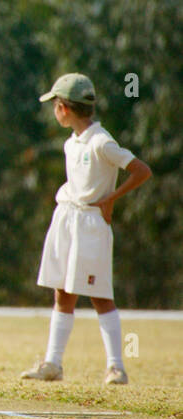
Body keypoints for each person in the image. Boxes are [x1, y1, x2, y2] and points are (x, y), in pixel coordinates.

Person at [21, 73, 151, 385]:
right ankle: (53, 363)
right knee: (62, 293)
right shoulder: (72, 143)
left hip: (91, 224)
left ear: (64, 108)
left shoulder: (101, 142)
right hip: (67, 217)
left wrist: (111, 199)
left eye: (55, 104)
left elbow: (140, 170)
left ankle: (116, 367)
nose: (54, 110)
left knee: (99, 295)